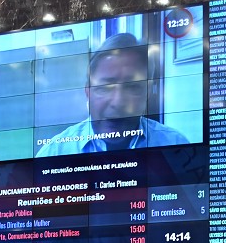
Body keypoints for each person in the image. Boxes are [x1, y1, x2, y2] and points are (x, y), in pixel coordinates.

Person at [36, 32, 190, 157]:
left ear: (147, 92)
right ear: (88, 91)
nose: (118, 102)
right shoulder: (54, 152)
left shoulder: (176, 146)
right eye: (105, 88)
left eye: (132, 87)